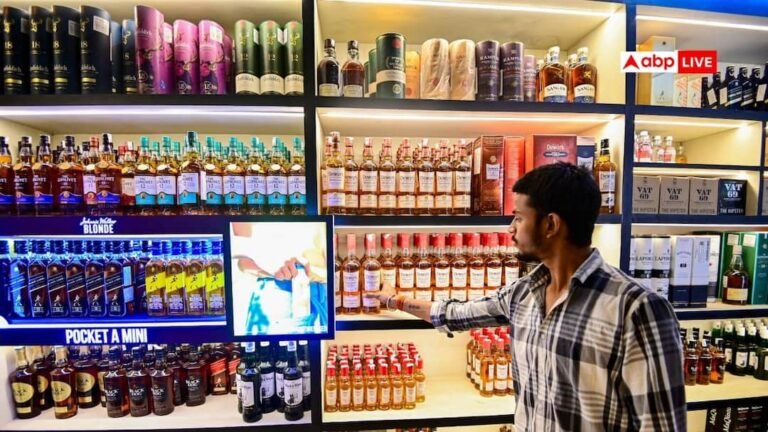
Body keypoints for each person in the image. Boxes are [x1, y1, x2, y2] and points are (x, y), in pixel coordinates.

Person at [367, 163, 686, 431]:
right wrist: (395, 300)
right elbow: (456, 314)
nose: (510, 228)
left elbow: (661, 426)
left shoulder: (637, 310)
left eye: (518, 217)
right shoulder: (524, 293)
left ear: (550, 224)